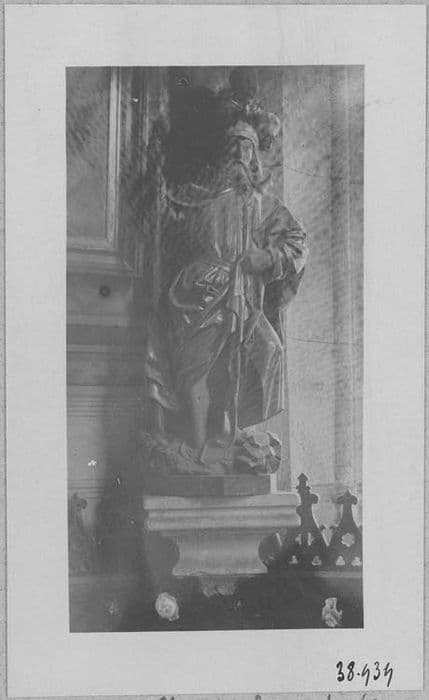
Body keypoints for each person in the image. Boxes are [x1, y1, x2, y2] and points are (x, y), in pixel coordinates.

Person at [146, 120, 308, 465]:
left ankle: (233, 436)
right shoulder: (200, 196)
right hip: (200, 289)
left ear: (254, 156)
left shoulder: (266, 205)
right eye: (232, 145)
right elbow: (167, 214)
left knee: (268, 351)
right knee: (197, 368)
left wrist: (268, 257)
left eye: (245, 146)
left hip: (244, 293)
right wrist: (156, 169)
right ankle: (198, 446)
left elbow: (298, 243)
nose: (238, 153)